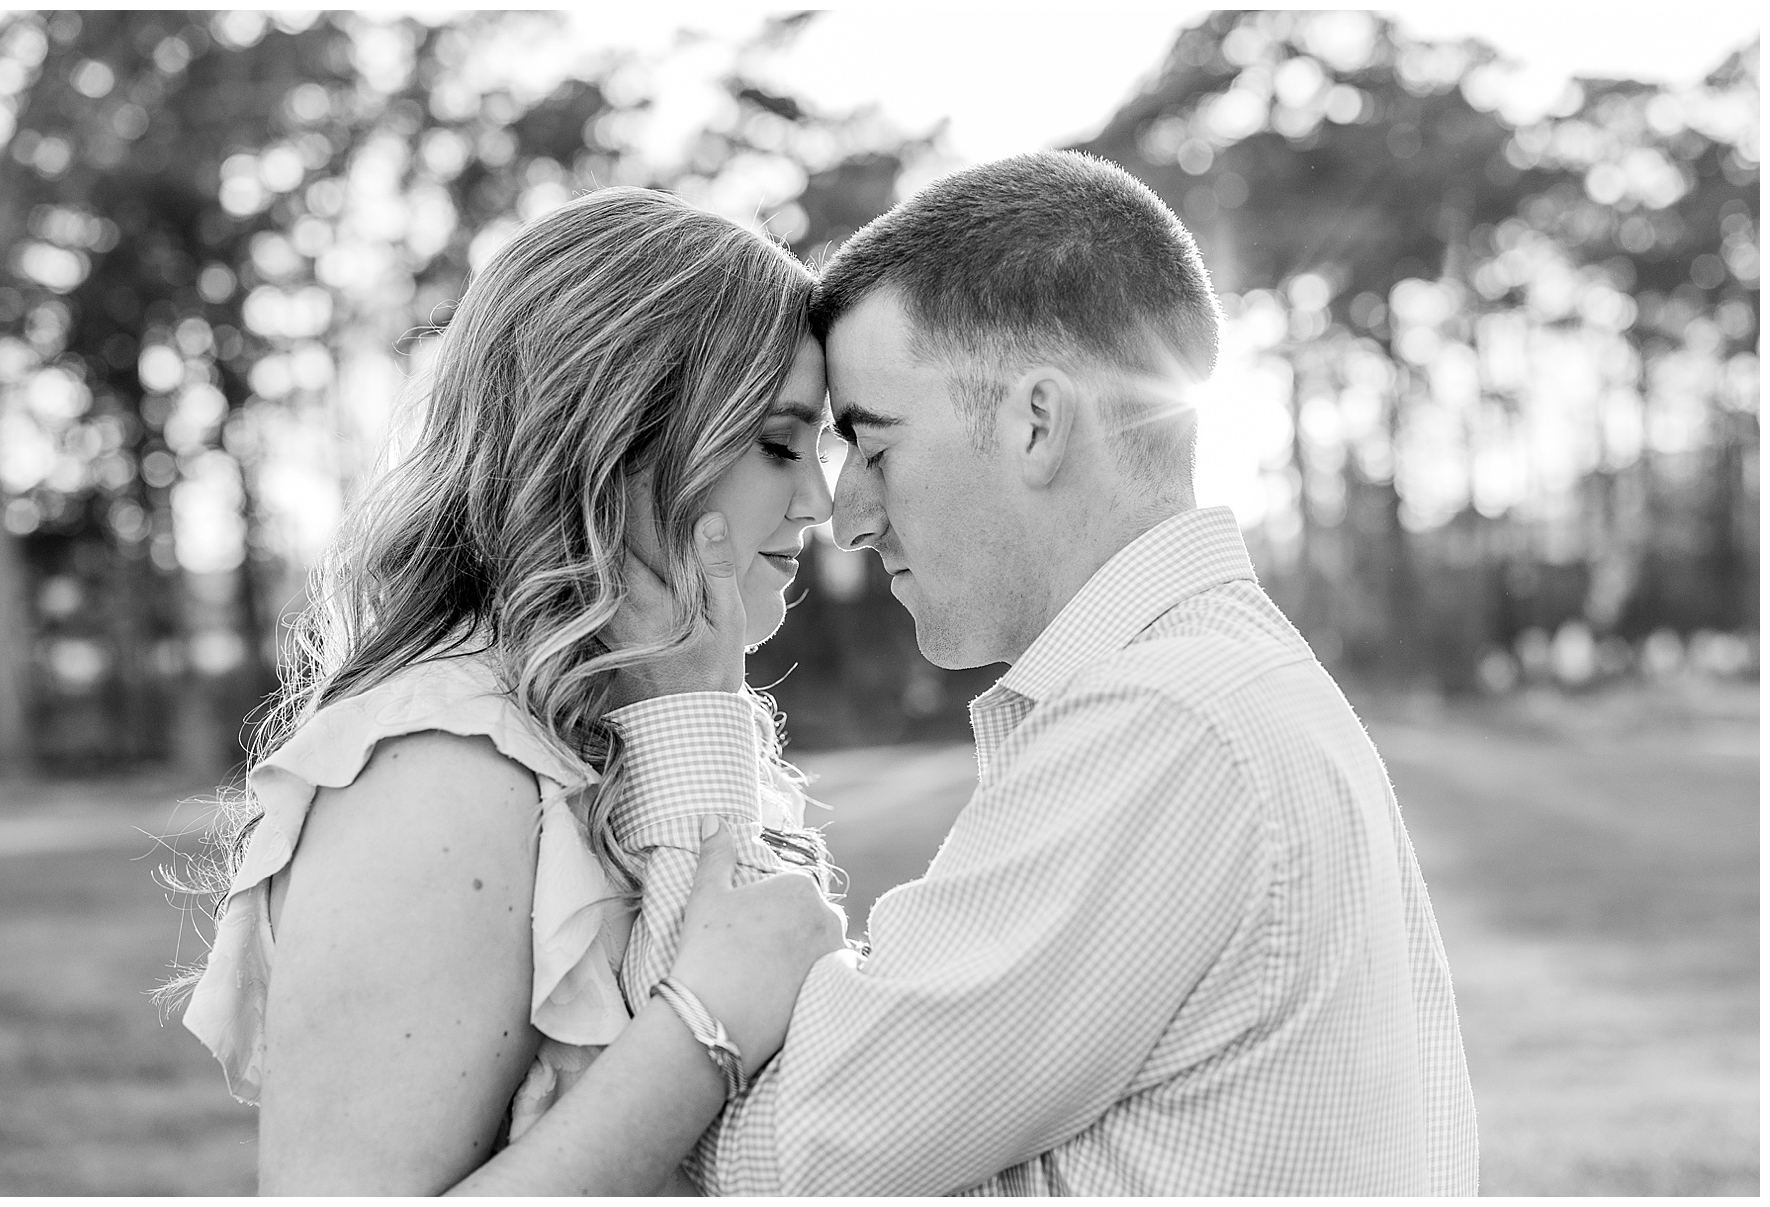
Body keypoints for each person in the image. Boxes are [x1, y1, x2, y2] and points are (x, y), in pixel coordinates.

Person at [487, 150, 1480, 1195]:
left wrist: (685, 704)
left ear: (1035, 423)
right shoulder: (1225, 691)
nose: (848, 518)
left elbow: (765, 1158)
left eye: (875, 448)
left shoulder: (1166, 727)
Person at [170, 186, 850, 1194]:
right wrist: (705, 1029)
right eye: (782, 444)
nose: (820, 502)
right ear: (616, 441)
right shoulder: (442, 767)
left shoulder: (651, 720)